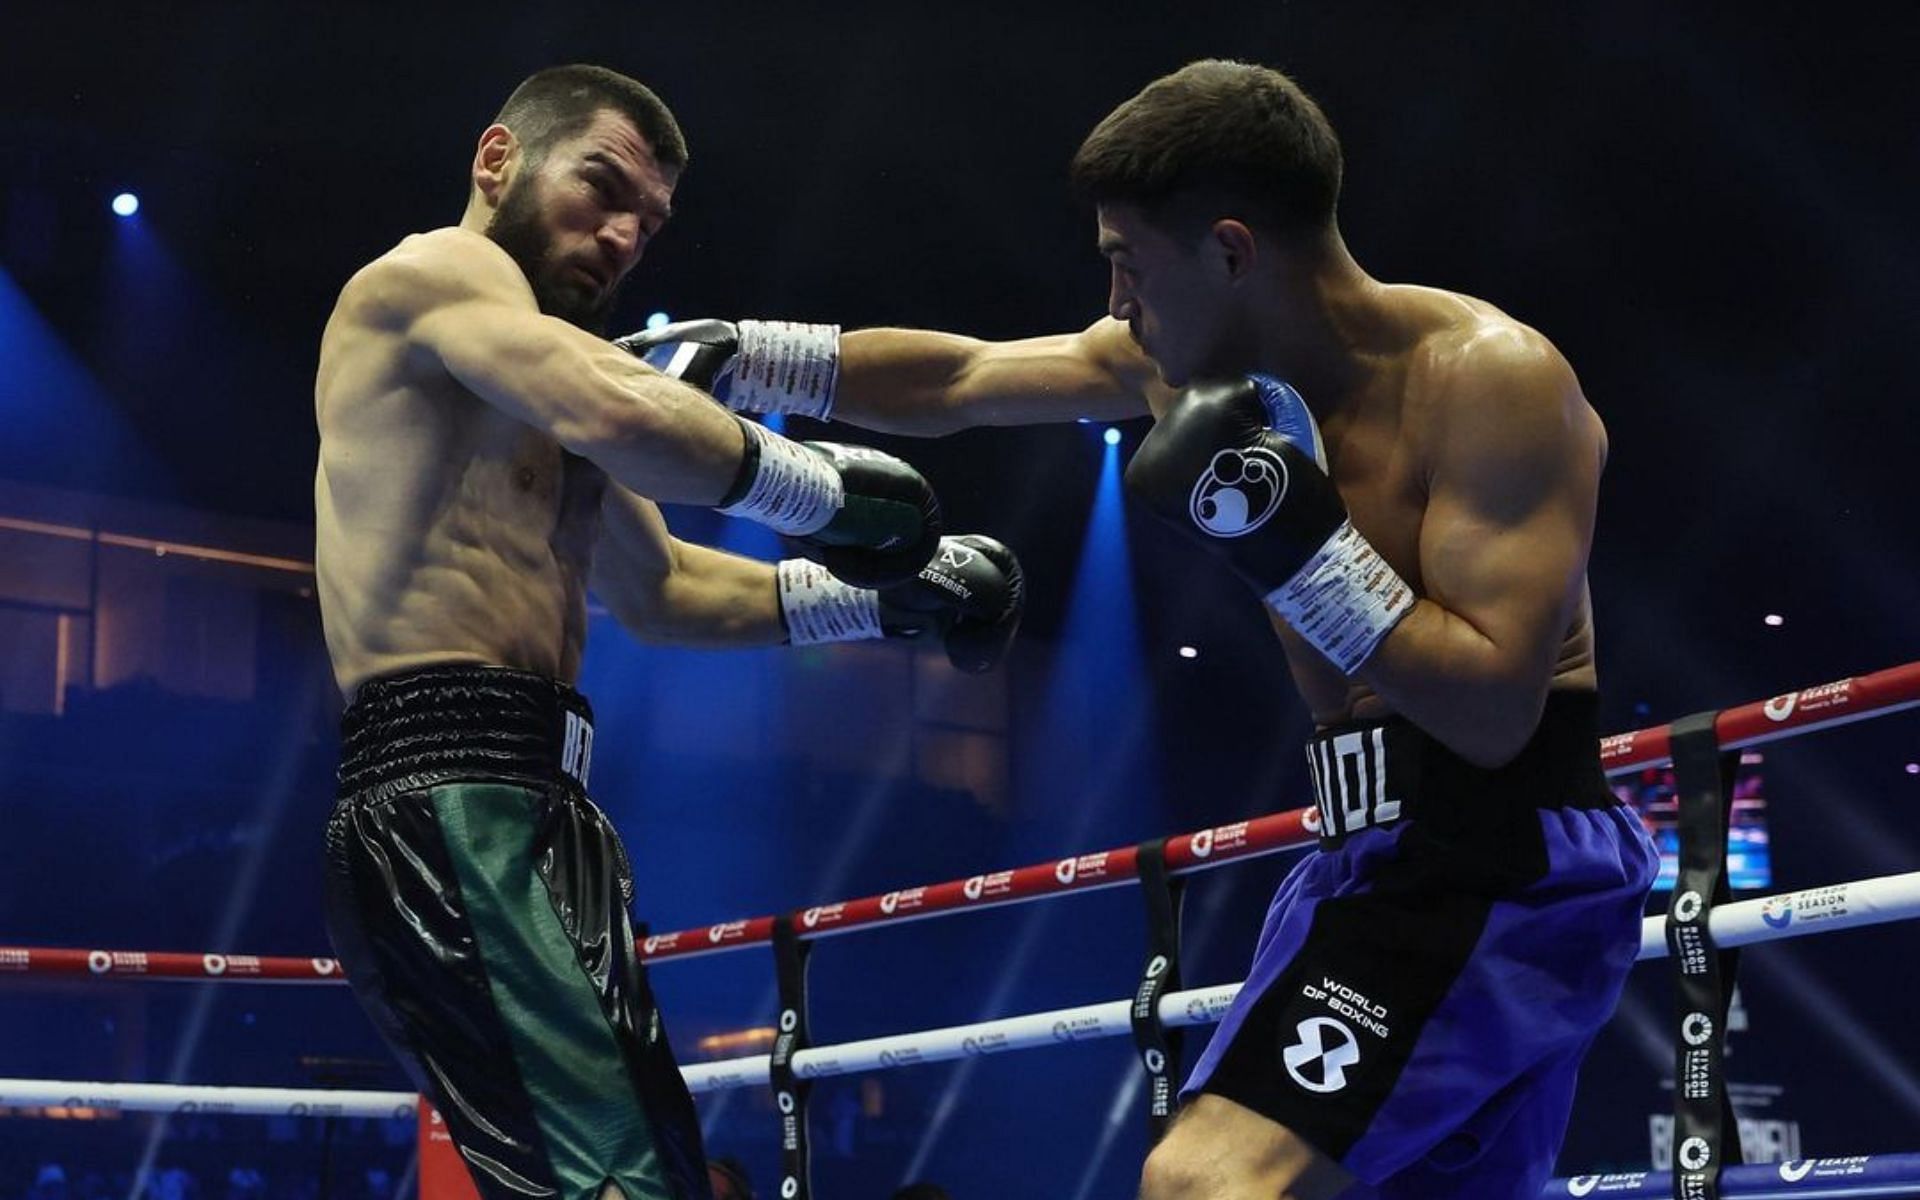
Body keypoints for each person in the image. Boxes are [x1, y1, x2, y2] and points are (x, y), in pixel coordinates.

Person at [623, 59, 1658, 1200]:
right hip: (1360, 855)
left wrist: (1299, 545)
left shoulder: (1490, 383)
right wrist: (752, 356)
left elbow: (1496, 712)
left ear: (1230, 250)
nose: (1115, 303)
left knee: (1207, 1182)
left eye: (1128, 263)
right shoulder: (1185, 363)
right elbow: (964, 377)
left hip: (1500, 862)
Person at [314, 65, 1023, 1200]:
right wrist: (824, 490)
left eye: (647, 223)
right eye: (600, 187)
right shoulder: (435, 275)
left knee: (643, 1175)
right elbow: (622, 411)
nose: (622, 234)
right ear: (499, 161)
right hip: (453, 794)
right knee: (626, 1182)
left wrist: (888, 599)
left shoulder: (546, 377)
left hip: (537, 808)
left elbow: (669, 591)